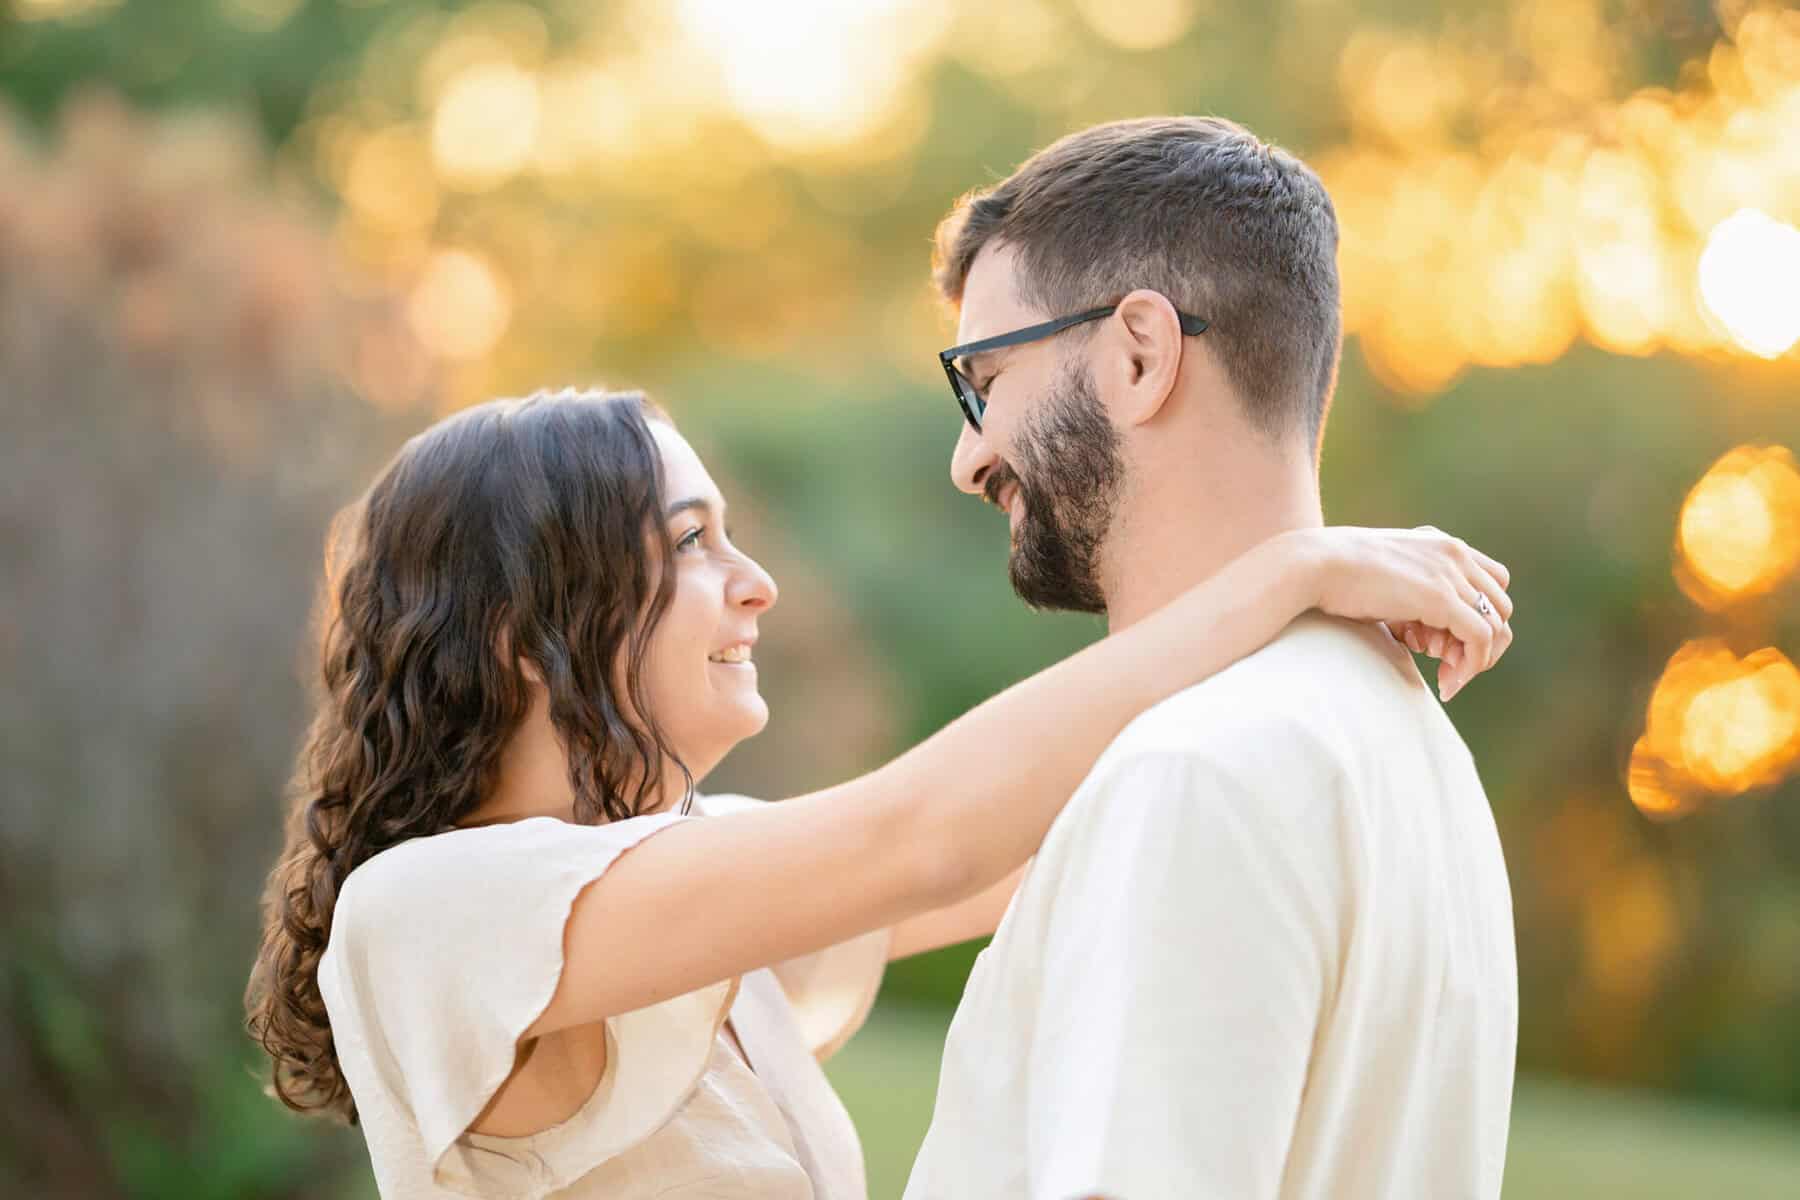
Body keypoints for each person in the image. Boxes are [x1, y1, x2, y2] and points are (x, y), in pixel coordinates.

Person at [245, 388, 1511, 1200]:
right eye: (690, 543)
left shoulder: (717, 907)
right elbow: (925, 833)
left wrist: (1322, 688)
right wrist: (1288, 573)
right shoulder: (421, 916)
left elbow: (1090, 829)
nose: (756, 585)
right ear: (526, 627)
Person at [903, 116, 1519, 1199]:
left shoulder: (1194, 772)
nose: (969, 457)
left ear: (1138, 354)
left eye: (985, 379)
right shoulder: (1412, 748)